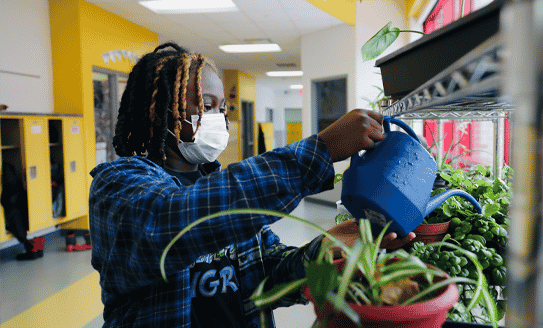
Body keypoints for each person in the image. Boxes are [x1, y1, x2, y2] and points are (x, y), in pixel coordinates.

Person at [89, 42, 416, 328]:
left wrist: (326, 249)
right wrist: (320, 151)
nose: (217, 117)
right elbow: (172, 222)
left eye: (221, 108)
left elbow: (267, 272)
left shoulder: (218, 185)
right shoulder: (116, 186)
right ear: (158, 112)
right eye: (204, 106)